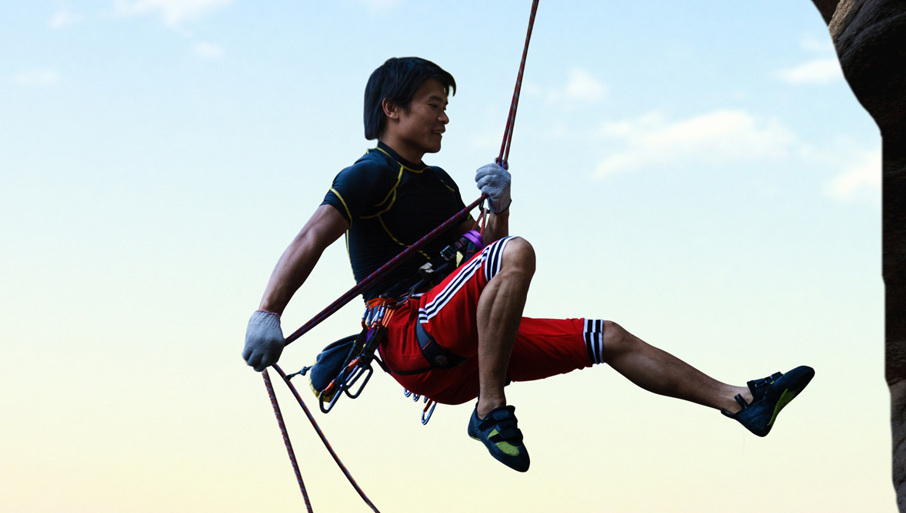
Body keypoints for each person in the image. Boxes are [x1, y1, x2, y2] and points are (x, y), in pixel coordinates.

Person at [242, 56, 814, 472]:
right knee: (515, 254)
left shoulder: (439, 184)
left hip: (461, 340)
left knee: (606, 336)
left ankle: (740, 402)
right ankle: (491, 410)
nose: (444, 118)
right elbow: (312, 237)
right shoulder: (368, 175)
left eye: (446, 108)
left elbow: (484, 251)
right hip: (408, 331)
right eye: (434, 105)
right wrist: (269, 313)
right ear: (392, 109)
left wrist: (501, 206)